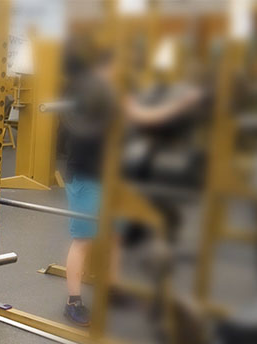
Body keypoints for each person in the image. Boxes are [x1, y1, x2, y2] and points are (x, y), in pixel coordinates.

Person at [59, 43, 202, 327]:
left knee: (115, 235)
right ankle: (73, 302)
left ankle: (112, 289)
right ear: (109, 65)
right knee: (84, 240)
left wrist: (181, 105)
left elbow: (142, 116)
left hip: (113, 176)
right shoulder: (86, 90)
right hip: (86, 175)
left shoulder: (114, 91)